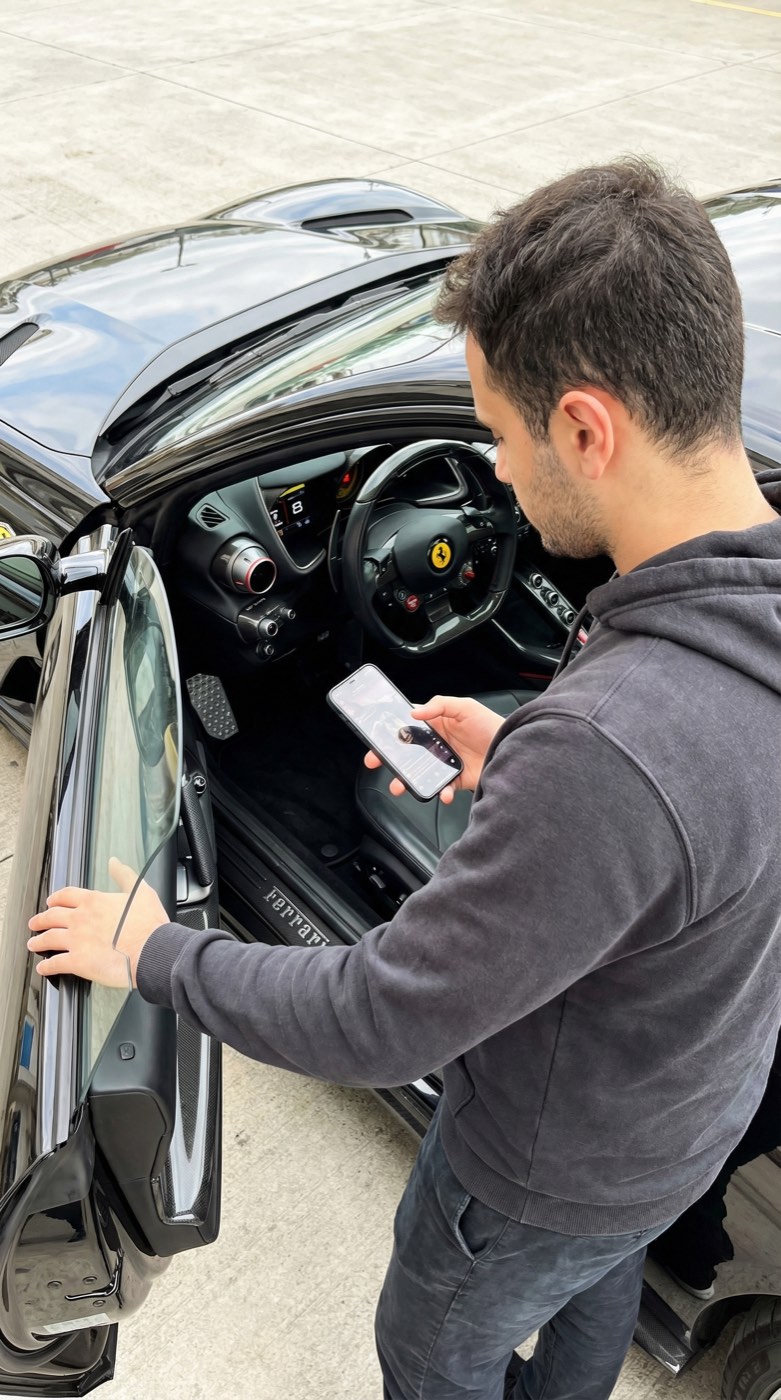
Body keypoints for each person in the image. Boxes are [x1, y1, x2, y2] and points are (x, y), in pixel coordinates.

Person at [27, 160, 781, 1400]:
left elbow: (383, 1015)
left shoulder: (607, 754)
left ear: (587, 427)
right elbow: (697, 807)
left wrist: (154, 950)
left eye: (497, 431)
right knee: (594, 1294)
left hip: (533, 1169)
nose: (488, 468)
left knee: (432, 1348)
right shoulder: (714, 631)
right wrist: (525, 742)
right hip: (678, 1121)